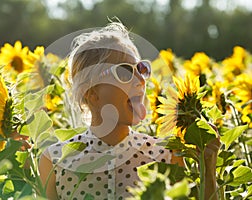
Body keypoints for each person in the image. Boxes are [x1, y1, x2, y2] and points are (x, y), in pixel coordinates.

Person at [39, 22, 220, 200]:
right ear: (92, 93)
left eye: (141, 70)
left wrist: (208, 170)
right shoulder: (55, 162)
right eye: (124, 72)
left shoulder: (165, 155)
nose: (140, 80)